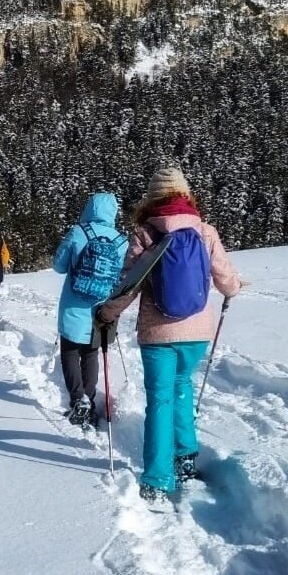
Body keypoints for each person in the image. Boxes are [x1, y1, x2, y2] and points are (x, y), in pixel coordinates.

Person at [97, 167, 242, 505]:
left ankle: (157, 479)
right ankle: (186, 454)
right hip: (197, 331)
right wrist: (234, 289)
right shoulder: (205, 232)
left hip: (157, 333)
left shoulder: (146, 234)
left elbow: (128, 285)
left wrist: (108, 312)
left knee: (160, 401)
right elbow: (227, 280)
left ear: (152, 198)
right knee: (182, 387)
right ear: (186, 195)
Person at [53, 192, 127, 428]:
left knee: (70, 352)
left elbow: (58, 266)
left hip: (74, 305)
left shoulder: (79, 232)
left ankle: (78, 400)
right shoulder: (121, 241)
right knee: (91, 354)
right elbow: (124, 278)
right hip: (101, 309)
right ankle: (89, 399)